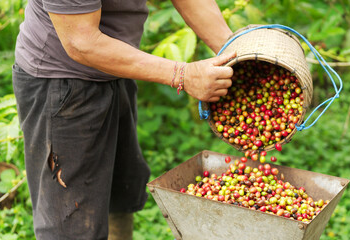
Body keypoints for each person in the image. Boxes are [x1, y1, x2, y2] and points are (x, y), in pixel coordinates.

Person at [12, 0, 234, 239]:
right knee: (72, 223)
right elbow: (81, 42)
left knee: (119, 192)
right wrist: (183, 75)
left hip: (116, 67)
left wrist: (232, 49)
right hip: (63, 83)